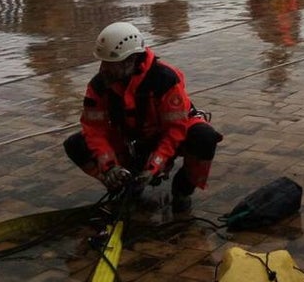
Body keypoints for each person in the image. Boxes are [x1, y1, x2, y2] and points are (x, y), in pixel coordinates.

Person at [63, 22, 223, 214]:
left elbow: (175, 129)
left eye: (111, 64)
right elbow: (94, 130)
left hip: (169, 137)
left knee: (204, 137)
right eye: (103, 62)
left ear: (131, 61)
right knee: (76, 144)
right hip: (133, 139)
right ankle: (122, 185)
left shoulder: (165, 79)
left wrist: (154, 166)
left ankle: (183, 189)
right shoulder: (100, 86)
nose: (104, 69)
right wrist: (110, 167)